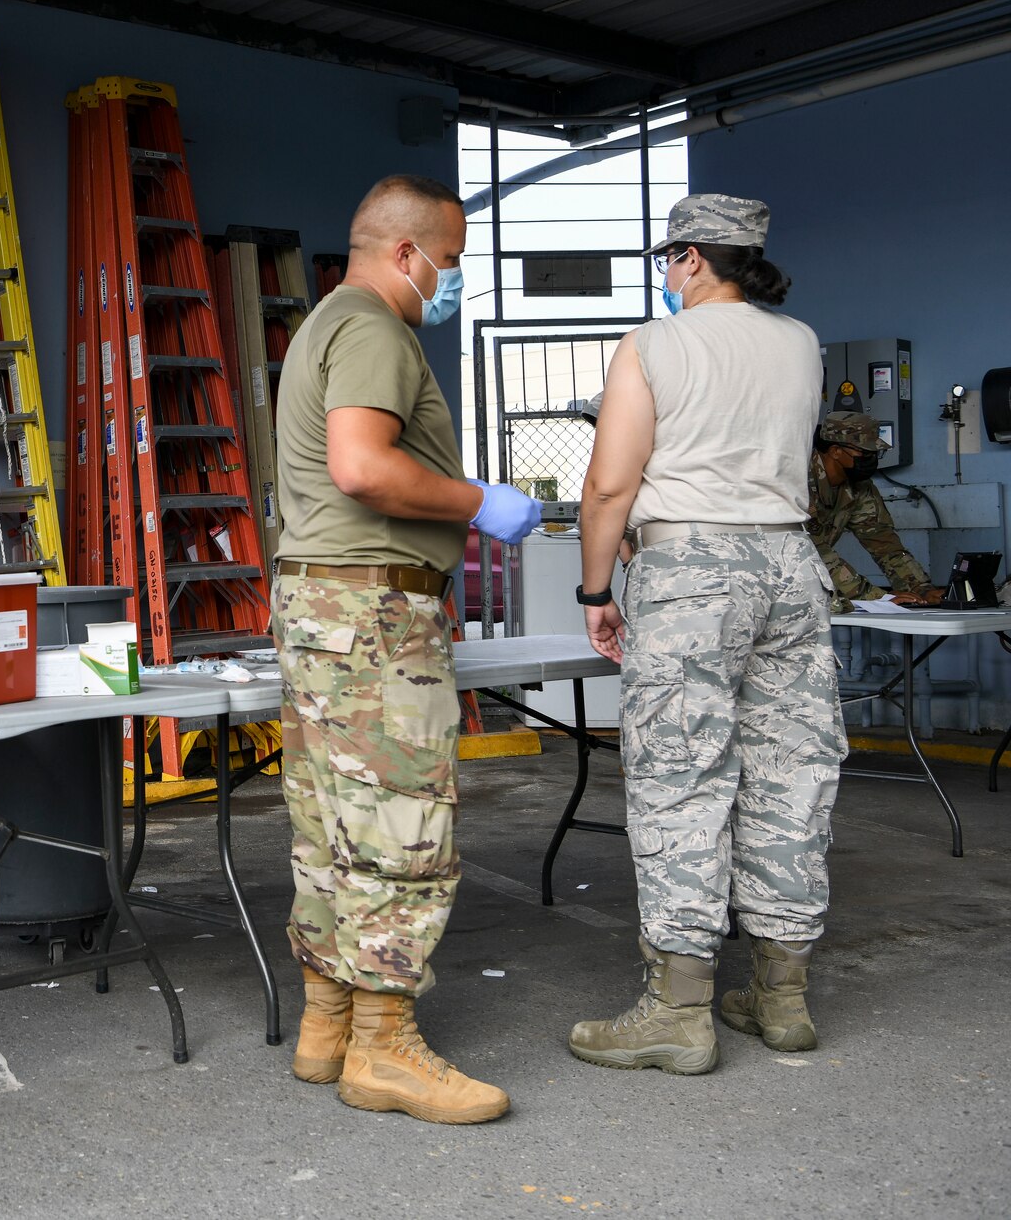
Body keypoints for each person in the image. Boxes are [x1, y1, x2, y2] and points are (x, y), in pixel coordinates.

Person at [272, 174, 543, 1126]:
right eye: (453, 262)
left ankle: (328, 1025)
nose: (453, 279)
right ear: (405, 253)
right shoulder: (377, 330)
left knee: (331, 828)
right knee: (402, 830)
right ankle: (384, 1049)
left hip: (321, 605)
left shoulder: (322, 324)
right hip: (373, 613)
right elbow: (362, 466)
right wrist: (479, 501)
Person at [571, 194, 845, 1076]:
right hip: (791, 569)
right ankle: (782, 995)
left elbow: (611, 485)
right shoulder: (801, 342)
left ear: (690, 259)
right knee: (790, 771)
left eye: (666, 258)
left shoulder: (658, 343)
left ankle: (679, 1009)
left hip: (690, 570)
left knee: (682, 774)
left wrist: (595, 587)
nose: (664, 273)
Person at [808, 410, 941, 608]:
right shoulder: (797, 481)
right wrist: (874, 598)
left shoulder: (860, 487)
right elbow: (813, 550)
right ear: (836, 451)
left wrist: (921, 589)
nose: (871, 459)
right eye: (864, 452)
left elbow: (884, 544)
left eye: (875, 453)